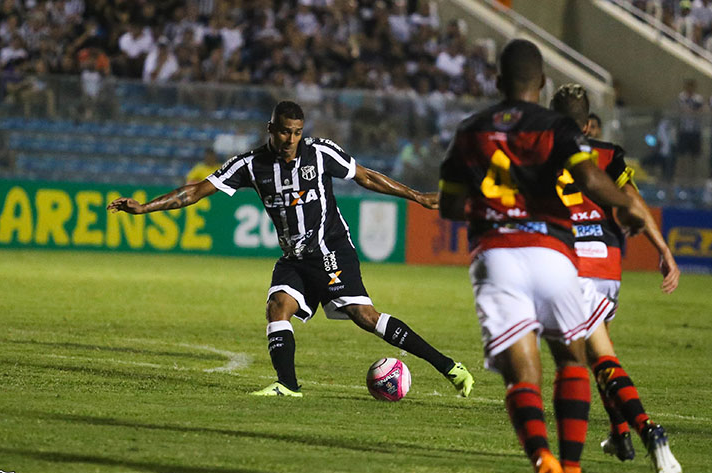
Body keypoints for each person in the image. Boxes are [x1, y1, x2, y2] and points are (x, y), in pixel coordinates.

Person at [108, 100, 475, 399]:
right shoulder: (250, 165)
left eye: (297, 132)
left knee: (365, 316)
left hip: (330, 248)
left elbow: (365, 176)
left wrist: (415, 196)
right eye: (285, 131)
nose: (291, 139)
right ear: (271, 129)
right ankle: (287, 385)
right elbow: (196, 190)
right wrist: (146, 207)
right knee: (276, 307)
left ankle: (449, 367)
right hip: (295, 257)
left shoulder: (320, 154)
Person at [439, 39, 646, 473]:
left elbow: (450, 206)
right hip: (553, 252)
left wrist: (494, 210)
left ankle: (543, 461)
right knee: (572, 358)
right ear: (543, 84)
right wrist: (628, 203)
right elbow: (593, 182)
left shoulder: (471, 130)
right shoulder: (556, 127)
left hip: (496, 255)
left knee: (521, 375)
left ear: (496, 81)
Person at [551, 84, 683, 473]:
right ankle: (620, 434)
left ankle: (648, 431)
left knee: (594, 359)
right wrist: (664, 251)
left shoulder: (542, 153)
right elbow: (634, 204)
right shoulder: (607, 154)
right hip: (607, 263)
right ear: (589, 123)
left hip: (570, 261)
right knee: (598, 351)